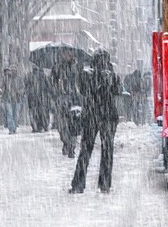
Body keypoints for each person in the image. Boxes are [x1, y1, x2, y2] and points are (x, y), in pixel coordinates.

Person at [70, 50, 121, 194]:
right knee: (106, 150)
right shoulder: (100, 74)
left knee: (87, 150)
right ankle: (104, 184)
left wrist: (103, 79)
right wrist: (103, 79)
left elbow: (83, 90)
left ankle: (79, 184)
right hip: (106, 116)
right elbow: (117, 91)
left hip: (94, 115)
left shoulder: (92, 75)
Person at [51, 49, 82, 157]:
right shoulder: (57, 67)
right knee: (62, 125)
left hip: (75, 99)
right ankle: (66, 142)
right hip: (61, 98)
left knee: (74, 124)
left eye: (69, 53)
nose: (67, 55)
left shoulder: (77, 67)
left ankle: (72, 146)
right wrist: (56, 90)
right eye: (64, 53)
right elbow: (52, 83)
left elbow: (81, 82)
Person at [24, 64, 51, 133]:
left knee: (34, 113)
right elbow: (48, 86)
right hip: (42, 97)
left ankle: (36, 126)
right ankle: (44, 125)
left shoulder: (29, 76)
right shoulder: (43, 75)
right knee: (43, 112)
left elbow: (26, 86)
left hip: (32, 97)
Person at [2, 65, 25, 134]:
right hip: (8, 99)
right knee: (9, 114)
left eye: (14, 70)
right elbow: (3, 88)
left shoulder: (19, 79)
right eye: (11, 70)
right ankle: (11, 129)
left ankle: (14, 127)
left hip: (17, 99)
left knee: (16, 115)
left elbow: (23, 88)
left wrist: (19, 92)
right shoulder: (6, 79)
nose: (12, 72)